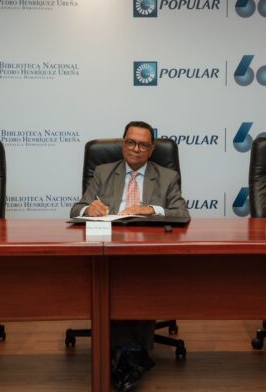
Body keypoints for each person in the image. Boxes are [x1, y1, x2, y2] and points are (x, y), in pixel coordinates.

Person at [70, 121, 189, 391]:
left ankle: (126, 351)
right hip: (108, 247)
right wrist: (89, 209)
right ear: (122, 144)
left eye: (143, 145)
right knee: (113, 276)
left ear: (152, 149)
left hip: (147, 250)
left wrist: (152, 209)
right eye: (130, 142)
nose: (136, 149)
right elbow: (77, 208)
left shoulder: (166, 176)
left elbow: (182, 213)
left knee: (137, 277)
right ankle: (134, 352)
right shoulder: (103, 172)